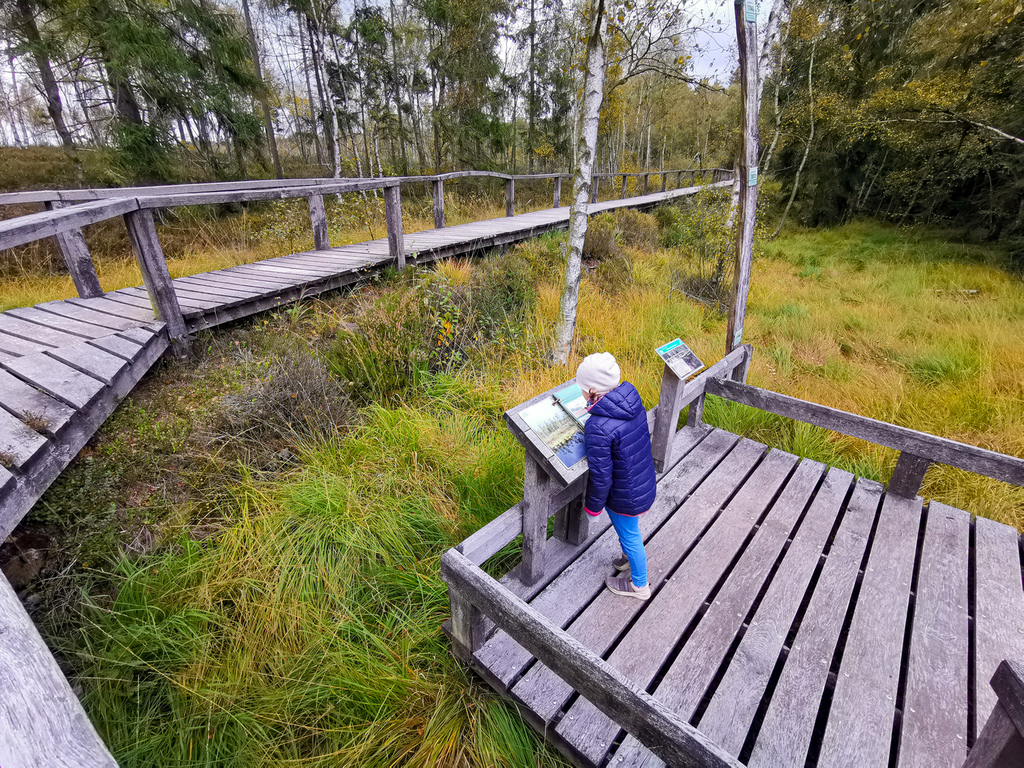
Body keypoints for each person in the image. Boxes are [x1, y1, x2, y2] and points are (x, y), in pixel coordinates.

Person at [576, 352, 657, 601]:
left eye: (581, 388)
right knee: (628, 532)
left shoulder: (598, 426)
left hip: (625, 496)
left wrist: (593, 508)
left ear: (591, 390)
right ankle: (627, 560)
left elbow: (601, 476)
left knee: (630, 535)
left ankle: (639, 586)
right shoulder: (630, 400)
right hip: (641, 481)